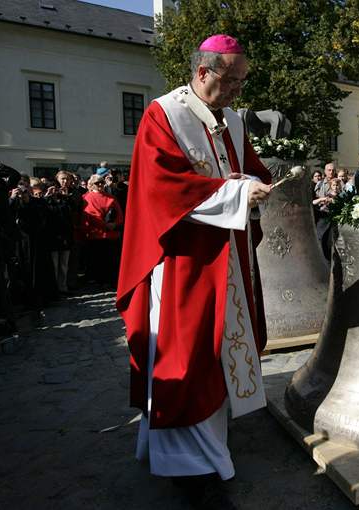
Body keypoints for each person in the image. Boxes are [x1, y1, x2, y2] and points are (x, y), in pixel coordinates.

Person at [116, 34, 272, 508]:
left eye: (242, 83)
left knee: (217, 353)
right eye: (231, 81)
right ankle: (189, 471)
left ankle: (210, 445)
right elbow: (165, 187)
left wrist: (258, 184)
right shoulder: (164, 114)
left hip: (225, 258)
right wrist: (238, 193)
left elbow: (246, 168)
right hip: (183, 262)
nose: (237, 92)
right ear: (203, 72)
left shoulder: (234, 121)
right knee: (186, 358)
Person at [81, 174, 124, 285]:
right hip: (96, 234)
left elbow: (120, 214)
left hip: (111, 233)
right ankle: (99, 280)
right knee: (98, 260)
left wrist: (115, 224)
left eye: (101, 182)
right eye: (97, 183)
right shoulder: (86, 197)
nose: (100, 184)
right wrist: (105, 224)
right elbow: (89, 215)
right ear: (91, 184)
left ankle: (111, 280)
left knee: (111, 260)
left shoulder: (111, 197)